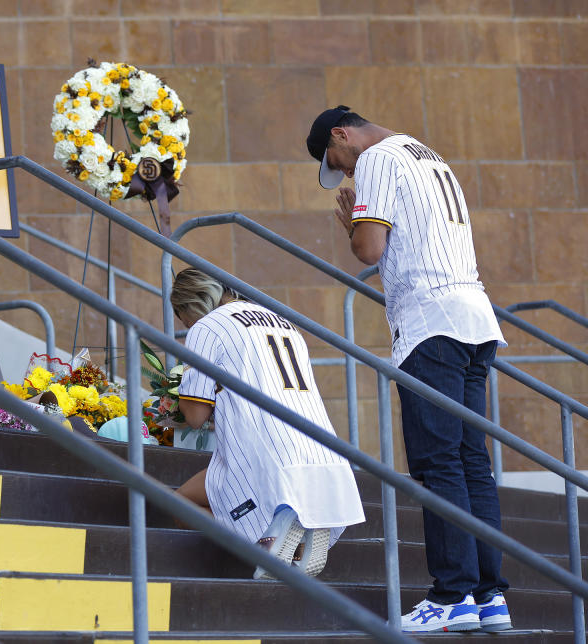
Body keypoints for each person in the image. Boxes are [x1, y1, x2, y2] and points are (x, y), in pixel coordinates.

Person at [306, 106, 511, 633]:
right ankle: (489, 596)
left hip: (429, 323)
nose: (346, 173)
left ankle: (451, 596)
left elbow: (369, 247)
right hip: (475, 317)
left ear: (341, 133)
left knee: (438, 463)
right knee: (471, 462)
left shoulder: (375, 158)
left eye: (337, 161)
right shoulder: (428, 155)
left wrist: (354, 225)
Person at [170, 268, 365, 580]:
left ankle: (270, 535)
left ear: (190, 307)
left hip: (264, 452)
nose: (187, 327)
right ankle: (295, 536)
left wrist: (180, 396)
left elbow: (194, 416)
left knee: (176, 503)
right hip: (321, 449)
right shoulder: (282, 321)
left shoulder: (208, 328)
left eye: (184, 321)